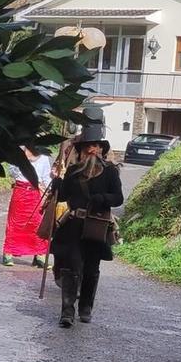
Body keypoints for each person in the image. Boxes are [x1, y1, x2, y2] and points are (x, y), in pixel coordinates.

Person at [48, 121, 123, 329]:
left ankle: (86, 308)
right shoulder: (72, 171)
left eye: (96, 145)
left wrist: (101, 198)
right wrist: (57, 184)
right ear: (81, 150)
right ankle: (67, 312)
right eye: (88, 145)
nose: (92, 149)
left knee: (91, 270)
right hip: (73, 227)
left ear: (101, 149)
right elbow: (62, 196)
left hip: (97, 227)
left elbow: (118, 198)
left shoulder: (110, 172)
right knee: (71, 269)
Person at [1, 145, 54, 266]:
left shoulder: (44, 156)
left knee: (37, 223)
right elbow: (12, 172)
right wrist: (23, 159)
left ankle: (39, 255)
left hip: (36, 193)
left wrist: (50, 191)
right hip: (20, 191)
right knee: (15, 222)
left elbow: (46, 176)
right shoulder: (19, 151)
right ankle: (8, 252)